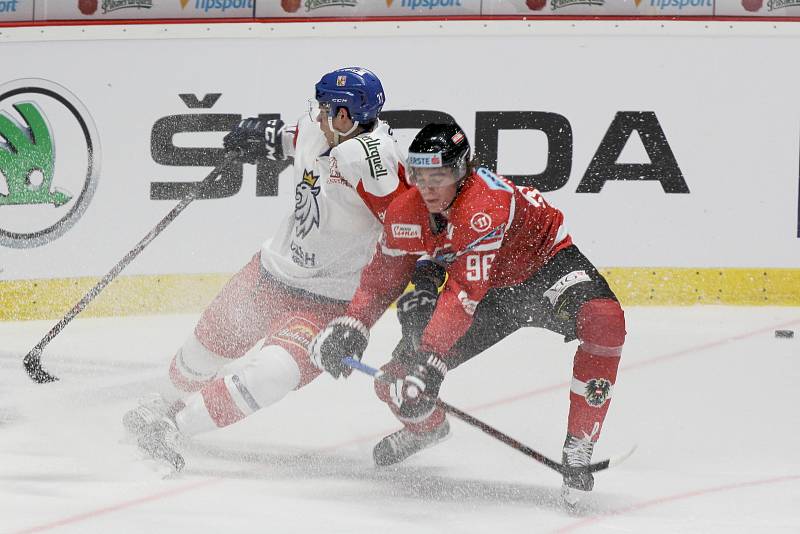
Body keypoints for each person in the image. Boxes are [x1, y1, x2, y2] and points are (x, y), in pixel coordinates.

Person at [310, 122, 626, 506]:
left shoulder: (484, 207)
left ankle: (580, 441)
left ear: (463, 172)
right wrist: (353, 323)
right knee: (394, 380)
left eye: (438, 176)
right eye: (419, 176)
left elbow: (462, 295)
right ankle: (426, 429)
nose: (427, 188)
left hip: (545, 269)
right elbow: (382, 280)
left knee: (604, 321)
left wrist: (431, 360)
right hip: (488, 291)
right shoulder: (404, 213)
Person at [122, 67, 419, 471]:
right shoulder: (321, 130)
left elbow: (404, 237)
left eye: (325, 108)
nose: (317, 114)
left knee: (273, 374)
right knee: (202, 352)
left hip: (327, 304)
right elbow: (293, 139)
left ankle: (173, 428)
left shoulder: (373, 160)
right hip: (268, 275)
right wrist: (260, 139)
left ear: (344, 116)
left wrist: (357, 322)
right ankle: (161, 403)